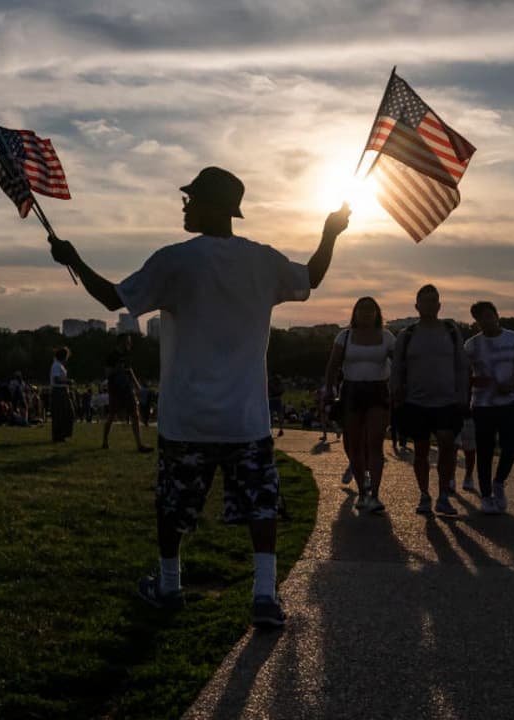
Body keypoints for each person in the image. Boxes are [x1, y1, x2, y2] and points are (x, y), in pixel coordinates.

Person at [46, 165, 350, 628]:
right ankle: (264, 596)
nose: (184, 206)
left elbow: (113, 299)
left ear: (214, 206)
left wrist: (73, 258)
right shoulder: (262, 260)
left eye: (191, 199)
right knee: (260, 504)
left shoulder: (175, 260)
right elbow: (311, 276)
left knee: (174, 505)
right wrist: (330, 233)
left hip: (185, 417)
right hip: (246, 418)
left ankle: (170, 586)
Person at [391, 285, 469, 518]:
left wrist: (463, 395)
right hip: (417, 401)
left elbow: (462, 365)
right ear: (417, 306)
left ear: (439, 305)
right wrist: (396, 393)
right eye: (425, 301)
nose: (430, 305)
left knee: (447, 444)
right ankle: (425, 494)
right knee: (421, 450)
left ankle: (444, 494)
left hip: (447, 400)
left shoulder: (451, 330)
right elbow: (396, 367)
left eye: (434, 300)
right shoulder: (407, 334)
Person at [325, 297, 394, 514]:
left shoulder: (387, 336)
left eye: (370, 309)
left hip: (377, 391)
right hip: (352, 391)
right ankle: (362, 493)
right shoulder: (344, 336)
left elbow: (399, 363)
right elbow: (333, 365)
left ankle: (375, 494)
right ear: (354, 313)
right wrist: (328, 390)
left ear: (377, 313)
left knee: (375, 443)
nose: (366, 313)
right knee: (353, 445)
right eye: (361, 309)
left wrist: (400, 386)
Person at [466, 301, 514, 515]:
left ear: (497, 315)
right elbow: (461, 374)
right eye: (481, 318)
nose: (487, 321)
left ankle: (499, 482)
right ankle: (486, 496)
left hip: (509, 401)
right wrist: (474, 381)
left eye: (489, 315)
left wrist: (513, 385)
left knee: (510, 447)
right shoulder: (472, 345)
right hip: (483, 404)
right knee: (484, 450)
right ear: (476, 322)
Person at [102, 334, 154, 453]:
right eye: (128, 342)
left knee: (135, 414)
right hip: (115, 389)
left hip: (127, 388)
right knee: (111, 415)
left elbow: (130, 371)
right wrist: (117, 368)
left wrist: (138, 386)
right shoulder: (111, 356)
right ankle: (105, 441)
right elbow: (107, 373)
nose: (130, 344)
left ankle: (139, 445)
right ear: (121, 342)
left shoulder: (126, 356)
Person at [49, 347, 75, 442]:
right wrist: (68, 381)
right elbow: (56, 379)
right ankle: (58, 436)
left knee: (66, 413)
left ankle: (62, 435)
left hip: (63, 391)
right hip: (59, 391)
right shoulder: (56, 365)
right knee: (61, 414)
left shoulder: (59, 365)